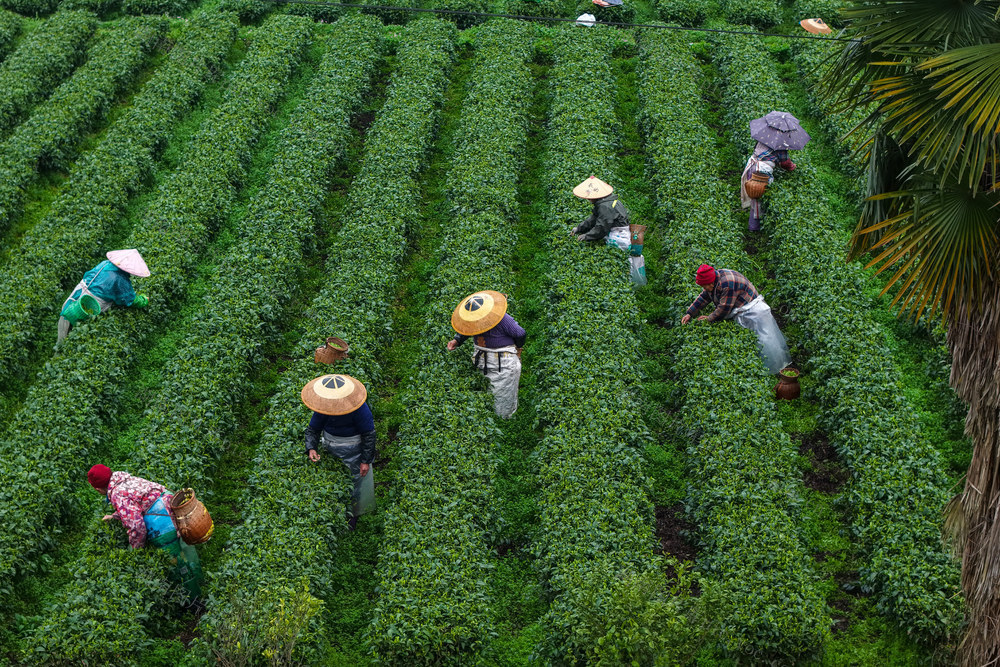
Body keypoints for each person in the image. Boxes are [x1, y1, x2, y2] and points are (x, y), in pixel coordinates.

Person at [87, 464, 202, 597]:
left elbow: (136, 526)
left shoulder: (117, 494)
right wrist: (115, 516)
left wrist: (136, 551)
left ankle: (193, 601)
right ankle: (199, 582)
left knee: (178, 564)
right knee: (185, 549)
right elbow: (138, 502)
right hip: (171, 509)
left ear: (97, 489)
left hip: (162, 521)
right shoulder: (123, 479)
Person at [681, 264, 791, 374]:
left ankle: (777, 369)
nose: (704, 289)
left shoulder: (727, 284)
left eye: (705, 286)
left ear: (711, 282)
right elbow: (705, 296)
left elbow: (724, 309)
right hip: (744, 310)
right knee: (756, 340)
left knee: (765, 340)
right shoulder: (715, 278)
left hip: (754, 311)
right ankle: (767, 368)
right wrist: (689, 313)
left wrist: (708, 319)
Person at [303, 374, 376, 531]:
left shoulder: (358, 407)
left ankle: (352, 516)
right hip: (331, 447)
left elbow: (369, 434)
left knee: (355, 483)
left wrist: (365, 460)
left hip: (353, 449)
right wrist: (312, 448)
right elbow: (313, 429)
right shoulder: (325, 406)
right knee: (332, 481)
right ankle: (333, 514)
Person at [446, 290, 524, 419]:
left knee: (503, 391)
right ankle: (487, 417)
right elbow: (467, 329)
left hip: (502, 359)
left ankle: (503, 418)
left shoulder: (503, 319)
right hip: (483, 358)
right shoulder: (475, 320)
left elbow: (520, 333)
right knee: (486, 386)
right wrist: (457, 340)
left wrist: (518, 347)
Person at [58, 249, 150, 342]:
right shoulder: (121, 279)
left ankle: (60, 343)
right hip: (93, 302)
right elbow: (128, 299)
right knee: (80, 327)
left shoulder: (105, 264)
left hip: (79, 292)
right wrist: (144, 299)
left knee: (67, 319)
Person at [740, 141, 796, 232]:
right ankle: (755, 228)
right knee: (759, 198)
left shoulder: (763, 138)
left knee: (754, 195)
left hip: (752, 165)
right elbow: (785, 163)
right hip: (761, 171)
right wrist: (793, 166)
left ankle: (753, 226)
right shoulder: (781, 144)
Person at [569, 176, 630, 242]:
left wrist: (587, 236)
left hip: (618, 233)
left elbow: (602, 227)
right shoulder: (606, 201)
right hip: (612, 227)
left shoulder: (605, 207)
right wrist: (579, 228)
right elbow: (594, 219)